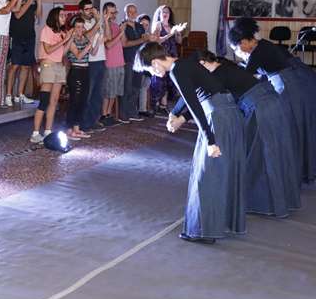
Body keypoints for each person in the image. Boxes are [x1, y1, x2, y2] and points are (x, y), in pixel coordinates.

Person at [135, 42, 245, 244]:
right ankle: (218, 224)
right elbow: (191, 96)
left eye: (149, 69)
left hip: (218, 117)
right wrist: (174, 113)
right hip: (228, 113)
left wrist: (210, 141)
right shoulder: (183, 64)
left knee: (207, 175)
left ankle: (204, 231)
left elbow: (195, 106)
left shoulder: (177, 71)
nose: (151, 73)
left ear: (155, 62)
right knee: (220, 172)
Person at [195, 51, 300, 216]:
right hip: (272, 103)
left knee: (260, 157)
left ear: (202, 63)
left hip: (260, 109)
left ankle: (265, 203)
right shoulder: (227, 67)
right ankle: (281, 200)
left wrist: (178, 115)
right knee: (274, 154)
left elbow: (197, 96)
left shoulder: (217, 74)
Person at [228, 17, 316, 185]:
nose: (238, 52)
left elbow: (245, 77)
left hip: (291, 86)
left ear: (245, 41)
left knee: (290, 125)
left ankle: (291, 169)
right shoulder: (263, 45)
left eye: (237, 48)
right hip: (298, 80)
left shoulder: (257, 52)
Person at [32, 7, 72, 143]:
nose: (64, 18)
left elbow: (63, 52)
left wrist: (70, 39)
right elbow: (48, 50)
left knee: (54, 101)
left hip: (59, 66)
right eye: (61, 15)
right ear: (55, 16)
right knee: (44, 100)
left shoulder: (62, 32)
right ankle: (35, 133)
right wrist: (64, 40)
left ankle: (48, 131)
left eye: (65, 16)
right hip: (48, 65)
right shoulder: (46, 30)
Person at [6, 0, 41, 106]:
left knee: (26, 66)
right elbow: (18, 14)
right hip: (17, 35)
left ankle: (20, 94)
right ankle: (9, 94)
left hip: (30, 35)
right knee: (15, 66)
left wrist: (39, 0)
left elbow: (38, 16)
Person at [149, 4, 187, 113]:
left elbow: (179, 41)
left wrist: (178, 33)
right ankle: (155, 104)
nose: (165, 14)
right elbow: (157, 40)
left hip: (172, 55)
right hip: (161, 56)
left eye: (167, 12)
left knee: (169, 81)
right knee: (159, 82)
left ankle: (164, 105)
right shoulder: (158, 25)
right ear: (160, 14)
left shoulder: (172, 25)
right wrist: (170, 34)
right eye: (163, 12)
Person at [79, 0, 107, 133]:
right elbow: (87, 35)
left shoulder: (95, 21)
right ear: (81, 11)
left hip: (101, 59)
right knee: (88, 94)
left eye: (91, 8)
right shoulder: (80, 23)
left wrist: (100, 21)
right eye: (87, 9)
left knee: (98, 94)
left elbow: (106, 37)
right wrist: (98, 21)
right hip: (89, 62)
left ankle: (94, 120)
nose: (90, 11)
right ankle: (84, 123)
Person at [65, 16, 95, 140]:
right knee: (74, 101)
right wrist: (88, 46)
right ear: (73, 28)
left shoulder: (85, 38)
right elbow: (78, 56)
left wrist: (96, 42)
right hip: (76, 70)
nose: (80, 30)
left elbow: (93, 53)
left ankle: (77, 128)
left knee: (83, 100)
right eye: (77, 27)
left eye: (82, 27)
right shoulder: (71, 40)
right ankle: (69, 129)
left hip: (85, 70)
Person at [120, 4, 148, 122]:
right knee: (127, 87)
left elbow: (145, 39)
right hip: (128, 60)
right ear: (126, 13)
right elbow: (124, 44)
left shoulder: (139, 26)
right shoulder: (122, 26)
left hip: (139, 61)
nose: (132, 14)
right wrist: (141, 40)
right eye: (129, 12)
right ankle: (123, 114)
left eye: (134, 12)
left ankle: (132, 112)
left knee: (136, 87)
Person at [102, 2, 127, 125]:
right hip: (110, 63)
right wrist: (121, 33)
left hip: (119, 62)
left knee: (115, 91)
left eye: (115, 12)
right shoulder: (103, 26)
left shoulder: (116, 25)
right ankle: (103, 115)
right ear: (105, 13)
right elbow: (109, 44)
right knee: (108, 92)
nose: (114, 15)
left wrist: (122, 31)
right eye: (111, 13)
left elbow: (123, 43)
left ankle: (108, 114)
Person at [136, 14, 154, 116]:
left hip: (147, 65)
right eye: (142, 24)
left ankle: (142, 109)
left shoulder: (149, 36)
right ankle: (135, 109)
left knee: (145, 86)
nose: (144, 26)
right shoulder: (136, 35)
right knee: (137, 87)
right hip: (138, 65)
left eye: (147, 25)